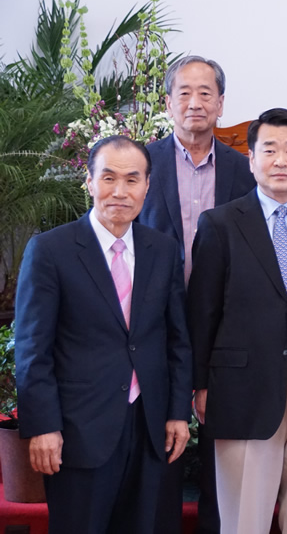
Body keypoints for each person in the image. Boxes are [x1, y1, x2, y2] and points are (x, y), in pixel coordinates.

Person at [14, 135, 193, 534]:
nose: (120, 191)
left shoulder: (163, 250)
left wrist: (178, 412)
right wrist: (43, 425)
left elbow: (177, 339)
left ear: (147, 185)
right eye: (108, 178)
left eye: (132, 180)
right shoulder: (50, 250)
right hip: (79, 430)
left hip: (151, 427)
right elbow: (32, 349)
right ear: (90, 183)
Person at [188, 108, 287, 534]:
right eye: (270, 150)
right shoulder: (220, 224)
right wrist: (200, 384)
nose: (281, 160)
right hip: (241, 392)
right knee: (243, 521)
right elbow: (202, 311)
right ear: (251, 159)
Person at [139, 55, 254, 534]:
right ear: (168, 103)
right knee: (157, 447)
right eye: (184, 92)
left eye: (206, 93)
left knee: (219, 451)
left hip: (223, 328)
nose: (195, 102)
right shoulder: (139, 164)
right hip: (153, 325)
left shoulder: (245, 169)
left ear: (221, 103)